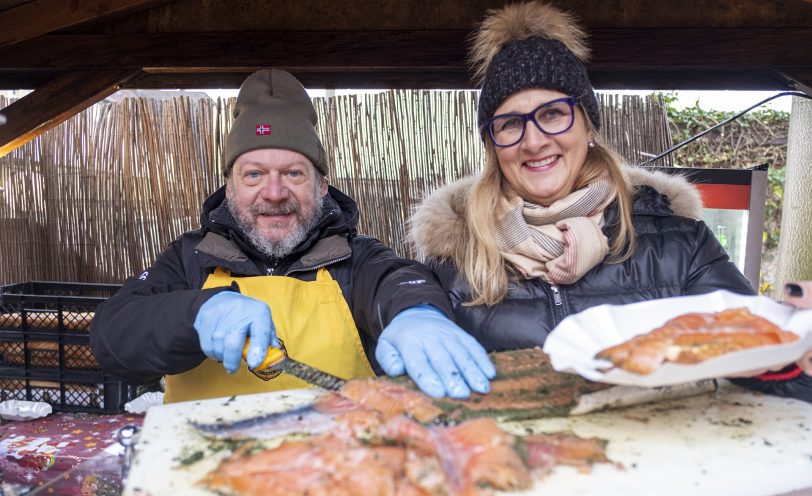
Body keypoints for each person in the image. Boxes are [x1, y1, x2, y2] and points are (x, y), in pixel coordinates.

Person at [407, 1, 811, 406]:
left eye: (552, 114)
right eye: (510, 124)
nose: (533, 141)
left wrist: (797, 353)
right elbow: (423, 398)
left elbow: (764, 368)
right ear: (494, 147)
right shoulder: (454, 263)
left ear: (587, 126)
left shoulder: (680, 245)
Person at [90, 69, 494, 403]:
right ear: (229, 188)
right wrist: (196, 311)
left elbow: (400, 281)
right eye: (254, 174)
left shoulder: (356, 259)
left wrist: (417, 314)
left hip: (331, 475)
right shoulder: (189, 258)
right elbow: (113, 338)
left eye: (294, 173)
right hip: (204, 479)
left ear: (321, 186)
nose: (275, 192)